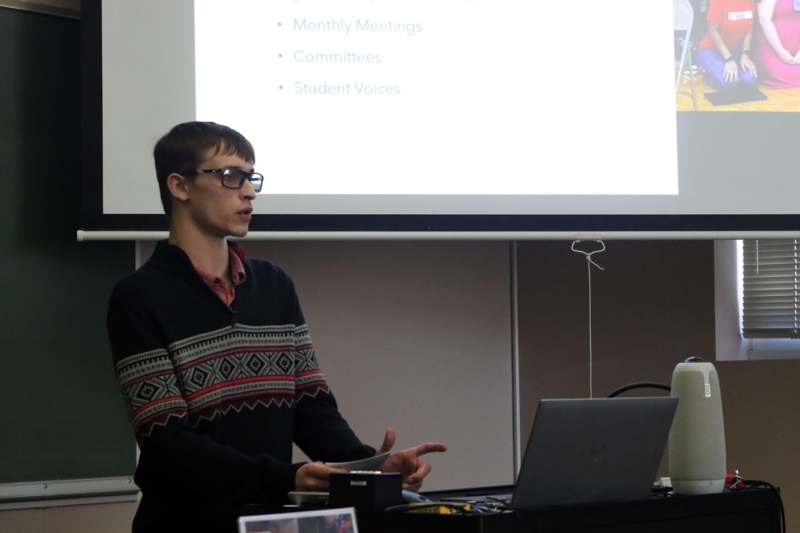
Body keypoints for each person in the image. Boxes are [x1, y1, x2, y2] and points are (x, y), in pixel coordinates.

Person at [107, 121, 446, 532]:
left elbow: (310, 406)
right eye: (230, 176)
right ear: (179, 186)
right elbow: (167, 444)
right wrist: (283, 478)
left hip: (268, 520)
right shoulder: (140, 297)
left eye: (251, 178)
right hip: (186, 523)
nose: (248, 191)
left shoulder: (273, 285)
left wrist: (370, 468)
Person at [697, 0, 760, 90]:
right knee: (729, 82)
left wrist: (745, 55)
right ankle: (708, 73)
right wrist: (729, 59)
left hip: (735, 50)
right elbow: (712, 31)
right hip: (710, 49)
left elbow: (749, 30)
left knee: (750, 80)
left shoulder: (752, 2)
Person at [755, 0, 800, 87]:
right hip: (772, 46)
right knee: (778, 73)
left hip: (797, 45)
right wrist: (782, 52)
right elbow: (764, 19)